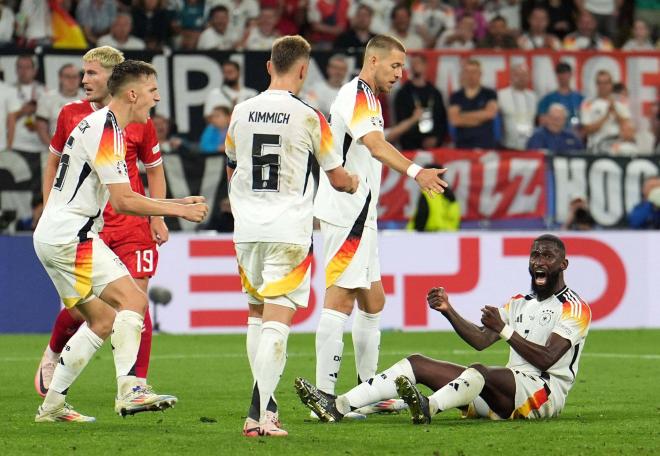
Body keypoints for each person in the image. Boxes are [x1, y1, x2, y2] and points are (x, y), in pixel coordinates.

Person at [33, 59, 208, 422]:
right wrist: (178, 209)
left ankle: (51, 406)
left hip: (57, 235)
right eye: (152, 91)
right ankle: (131, 389)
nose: (157, 99)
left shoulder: (101, 124)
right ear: (132, 94)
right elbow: (123, 200)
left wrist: (172, 205)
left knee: (100, 320)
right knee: (132, 299)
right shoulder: (106, 130)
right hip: (71, 235)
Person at [296, 234, 592, 425]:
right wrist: (449, 311)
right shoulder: (519, 303)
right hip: (503, 391)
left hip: (543, 395)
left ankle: (429, 406)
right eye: (535, 256)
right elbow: (479, 339)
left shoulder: (574, 307)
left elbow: (547, 359)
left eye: (547, 257)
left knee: (480, 371)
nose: (539, 262)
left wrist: (503, 331)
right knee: (417, 364)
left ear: (563, 263)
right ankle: (338, 405)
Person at [225, 35, 358, 437]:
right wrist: (352, 181)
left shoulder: (241, 111)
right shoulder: (309, 116)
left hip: (246, 230)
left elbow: (231, 166)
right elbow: (337, 177)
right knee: (277, 323)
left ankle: (263, 408)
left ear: (269, 67)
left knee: (256, 315)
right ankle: (261, 414)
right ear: (303, 70)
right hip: (288, 231)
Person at [313, 35, 447, 403]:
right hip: (347, 212)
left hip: (360, 212)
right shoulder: (357, 93)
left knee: (374, 302)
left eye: (402, 67)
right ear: (373, 60)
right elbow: (374, 144)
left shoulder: (367, 98)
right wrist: (417, 171)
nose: (400, 74)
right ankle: (324, 397)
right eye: (394, 66)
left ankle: (369, 391)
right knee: (339, 299)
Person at [393, 54, 447, 151]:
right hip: (410, 148)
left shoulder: (435, 93)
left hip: (434, 147)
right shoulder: (403, 94)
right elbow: (400, 122)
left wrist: (436, 138)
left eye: (417, 63)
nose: (414, 66)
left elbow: (442, 120)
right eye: (412, 64)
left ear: (425, 66)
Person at [448, 59, 498, 149]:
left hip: (485, 144)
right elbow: (454, 120)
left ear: (480, 74)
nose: (471, 75)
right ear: (463, 74)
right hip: (463, 145)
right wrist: (480, 118)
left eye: (474, 72)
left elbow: (490, 114)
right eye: (467, 72)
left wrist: (462, 116)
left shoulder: (489, 93)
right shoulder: (456, 96)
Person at [580, 70, 631, 153]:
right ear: (596, 85)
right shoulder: (588, 103)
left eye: (606, 83)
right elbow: (587, 129)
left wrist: (615, 111)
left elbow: (627, 126)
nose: (602, 86)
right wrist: (606, 116)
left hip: (617, 146)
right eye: (600, 83)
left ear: (611, 84)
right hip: (596, 146)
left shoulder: (620, 101)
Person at [35, 64, 84, 149]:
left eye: (75, 77)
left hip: (82, 152)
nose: (71, 80)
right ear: (60, 78)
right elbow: (41, 129)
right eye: (68, 77)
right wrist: (55, 150)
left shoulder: (89, 98)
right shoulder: (47, 98)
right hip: (54, 150)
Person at [7, 55, 46, 155]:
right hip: (16, 146)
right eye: (20, 67)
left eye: (27, 67)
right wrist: (21, 112)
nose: (23, 71)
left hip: (40, 146)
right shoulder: (8, 91)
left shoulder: (44, 91)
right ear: (16, 70)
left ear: (34, 71)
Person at [406, 164, 460, 231]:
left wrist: (417, 234)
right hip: (448, 234)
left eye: (425, 174)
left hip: (428, 233)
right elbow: (455, 217)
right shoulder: (450, 194)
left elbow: (422, 215)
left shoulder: (428, 193)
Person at [498, 63, 537, 150]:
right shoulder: (501, 95)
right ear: (511, 76)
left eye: (524, 75)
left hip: (530, 146)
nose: (521, 78)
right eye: (518, 75)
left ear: (529, 77)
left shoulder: (533, 96)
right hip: (508, 145)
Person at [537, 62, 583, 130]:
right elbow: (542, 122)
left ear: (570, 74)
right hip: (553, 137)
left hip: (574, 137)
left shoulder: (580, 98)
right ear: (556, 76)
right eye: (560, 73)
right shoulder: (547, 99)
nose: (562, 76)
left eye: (565, 73)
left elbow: (586, 122)